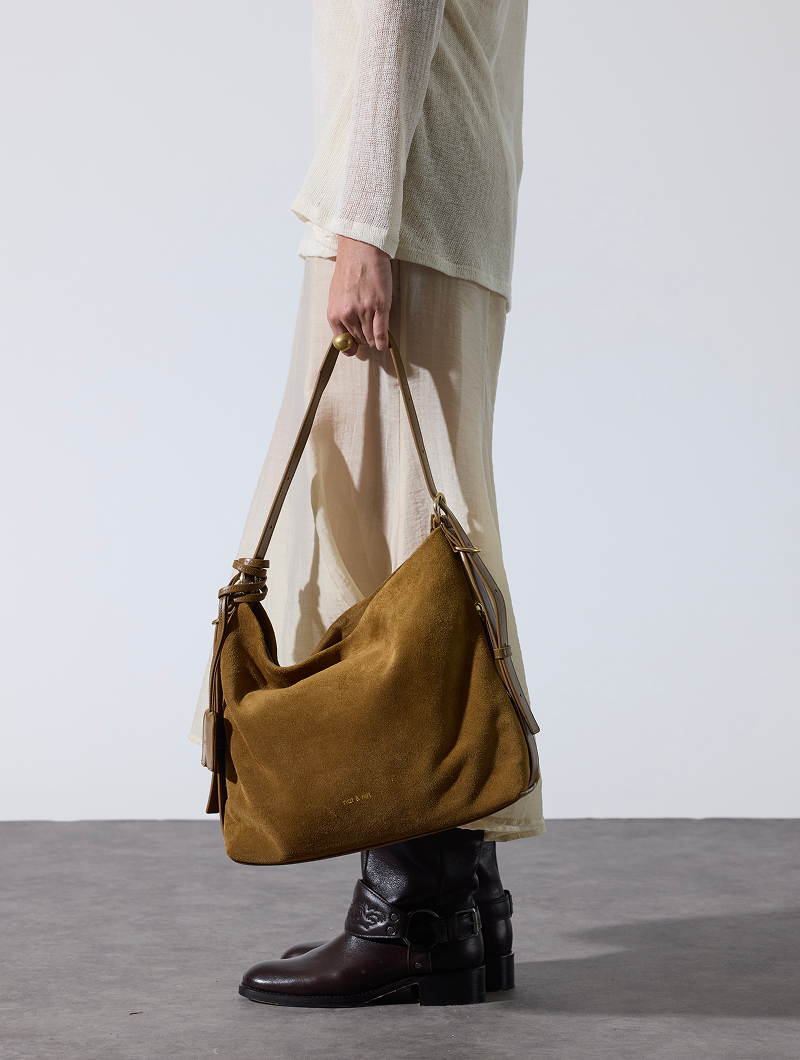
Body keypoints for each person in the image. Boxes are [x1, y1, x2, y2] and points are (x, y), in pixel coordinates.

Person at [190, 0, 544, 1007]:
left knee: (382, 555)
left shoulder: (378, 227)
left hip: (401, 214)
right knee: (420, 548)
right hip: (445, 204)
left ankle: (411, 914)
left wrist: (365, 229)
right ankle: (460, 905)